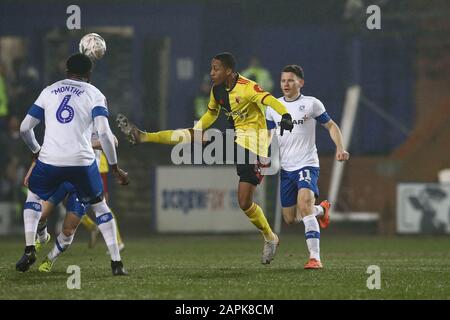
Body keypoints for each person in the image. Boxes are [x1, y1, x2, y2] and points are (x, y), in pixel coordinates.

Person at [117, 52, 293, 264]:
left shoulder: (248, 87)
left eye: (216, 69)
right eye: (211, 68)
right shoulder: (217, 90)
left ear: (228, 71)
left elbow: (270, 100)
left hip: (256, 146)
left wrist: (286, 115)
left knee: (244, 202)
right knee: (191, 134)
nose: (211, 73)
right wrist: (198, 129)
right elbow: (211, 113)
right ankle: (143, 136)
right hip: (237, 140)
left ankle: (270, 237)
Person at [16, 53, 129, 276]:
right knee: (100, 207)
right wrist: (115, 168)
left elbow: (24, 129)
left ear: (66, 71)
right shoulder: (95, 94)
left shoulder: (49, 90)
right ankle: (116, 263)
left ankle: (30, 247)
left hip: (50, 160)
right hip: (82, 163)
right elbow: (106, 134)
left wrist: (36, 151)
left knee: (33, 197)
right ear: (89, 74)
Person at [266, 65, 350, 269]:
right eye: (283, 80)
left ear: (300, 83)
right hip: (287, 169)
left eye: (291, 80)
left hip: (307, 164)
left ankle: (315, 258)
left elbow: (331, 125)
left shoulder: (311, 104)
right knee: (290, 218)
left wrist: (340, 147)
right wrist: (261, 153)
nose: (286, 84)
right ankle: (321, 210)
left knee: (304, 206)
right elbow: (268, 134)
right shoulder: (272, 107)